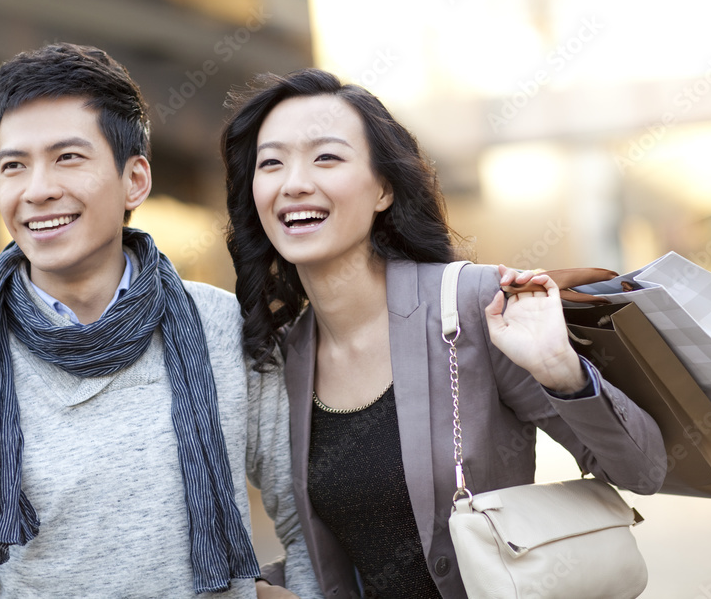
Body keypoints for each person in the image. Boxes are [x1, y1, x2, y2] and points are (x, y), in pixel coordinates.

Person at [220, 68, 667, 599]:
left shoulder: (474, 304)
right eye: (271, 163)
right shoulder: (285, 357)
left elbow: (642, 471)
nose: (293, 182)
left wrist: (561, 371)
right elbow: (332, 553)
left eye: (327, 157)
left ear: (383, 188)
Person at [0, 43, 322, 598]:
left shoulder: (223, 327)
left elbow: (308, 524)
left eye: (68, 157)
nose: (37, 190)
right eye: (13, 166)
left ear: (135, 180)